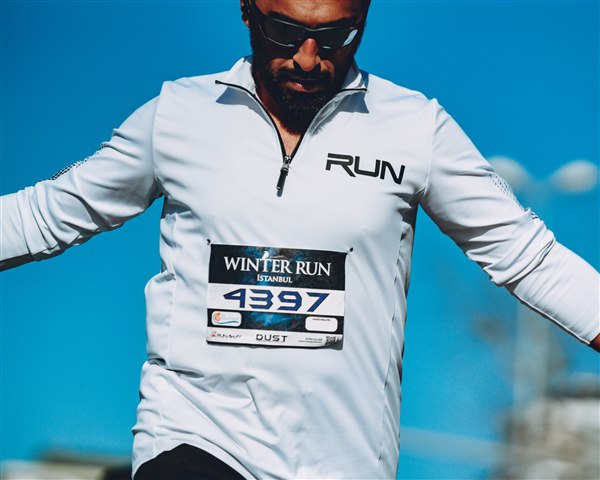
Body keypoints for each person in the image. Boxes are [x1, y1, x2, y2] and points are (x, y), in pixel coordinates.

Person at [1, 1, 598, 478]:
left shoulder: (415, 128)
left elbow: (526, 254)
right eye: (284, 32)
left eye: (336, 37)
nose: (308, 59)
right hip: (194, 437)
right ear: (247, 11)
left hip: (344, 459)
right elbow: (49, 213)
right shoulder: (178, 115)